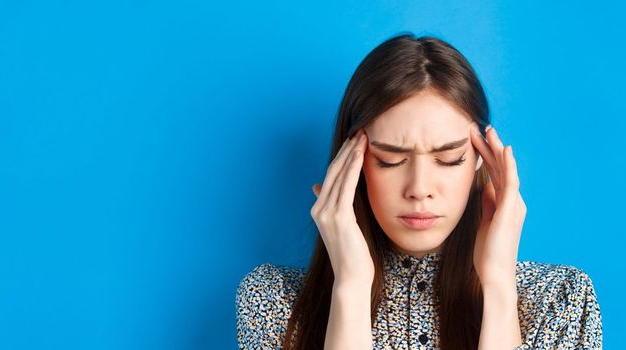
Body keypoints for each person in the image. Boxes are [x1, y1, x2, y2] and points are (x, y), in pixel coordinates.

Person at [236, 32, 602, 350]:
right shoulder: (276, 302)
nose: (420, 189)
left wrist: (498, 288)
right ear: (351, 165)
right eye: (390, 161)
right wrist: (350, 287)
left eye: (448, 158)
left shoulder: (560, 299)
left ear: (481, 159)